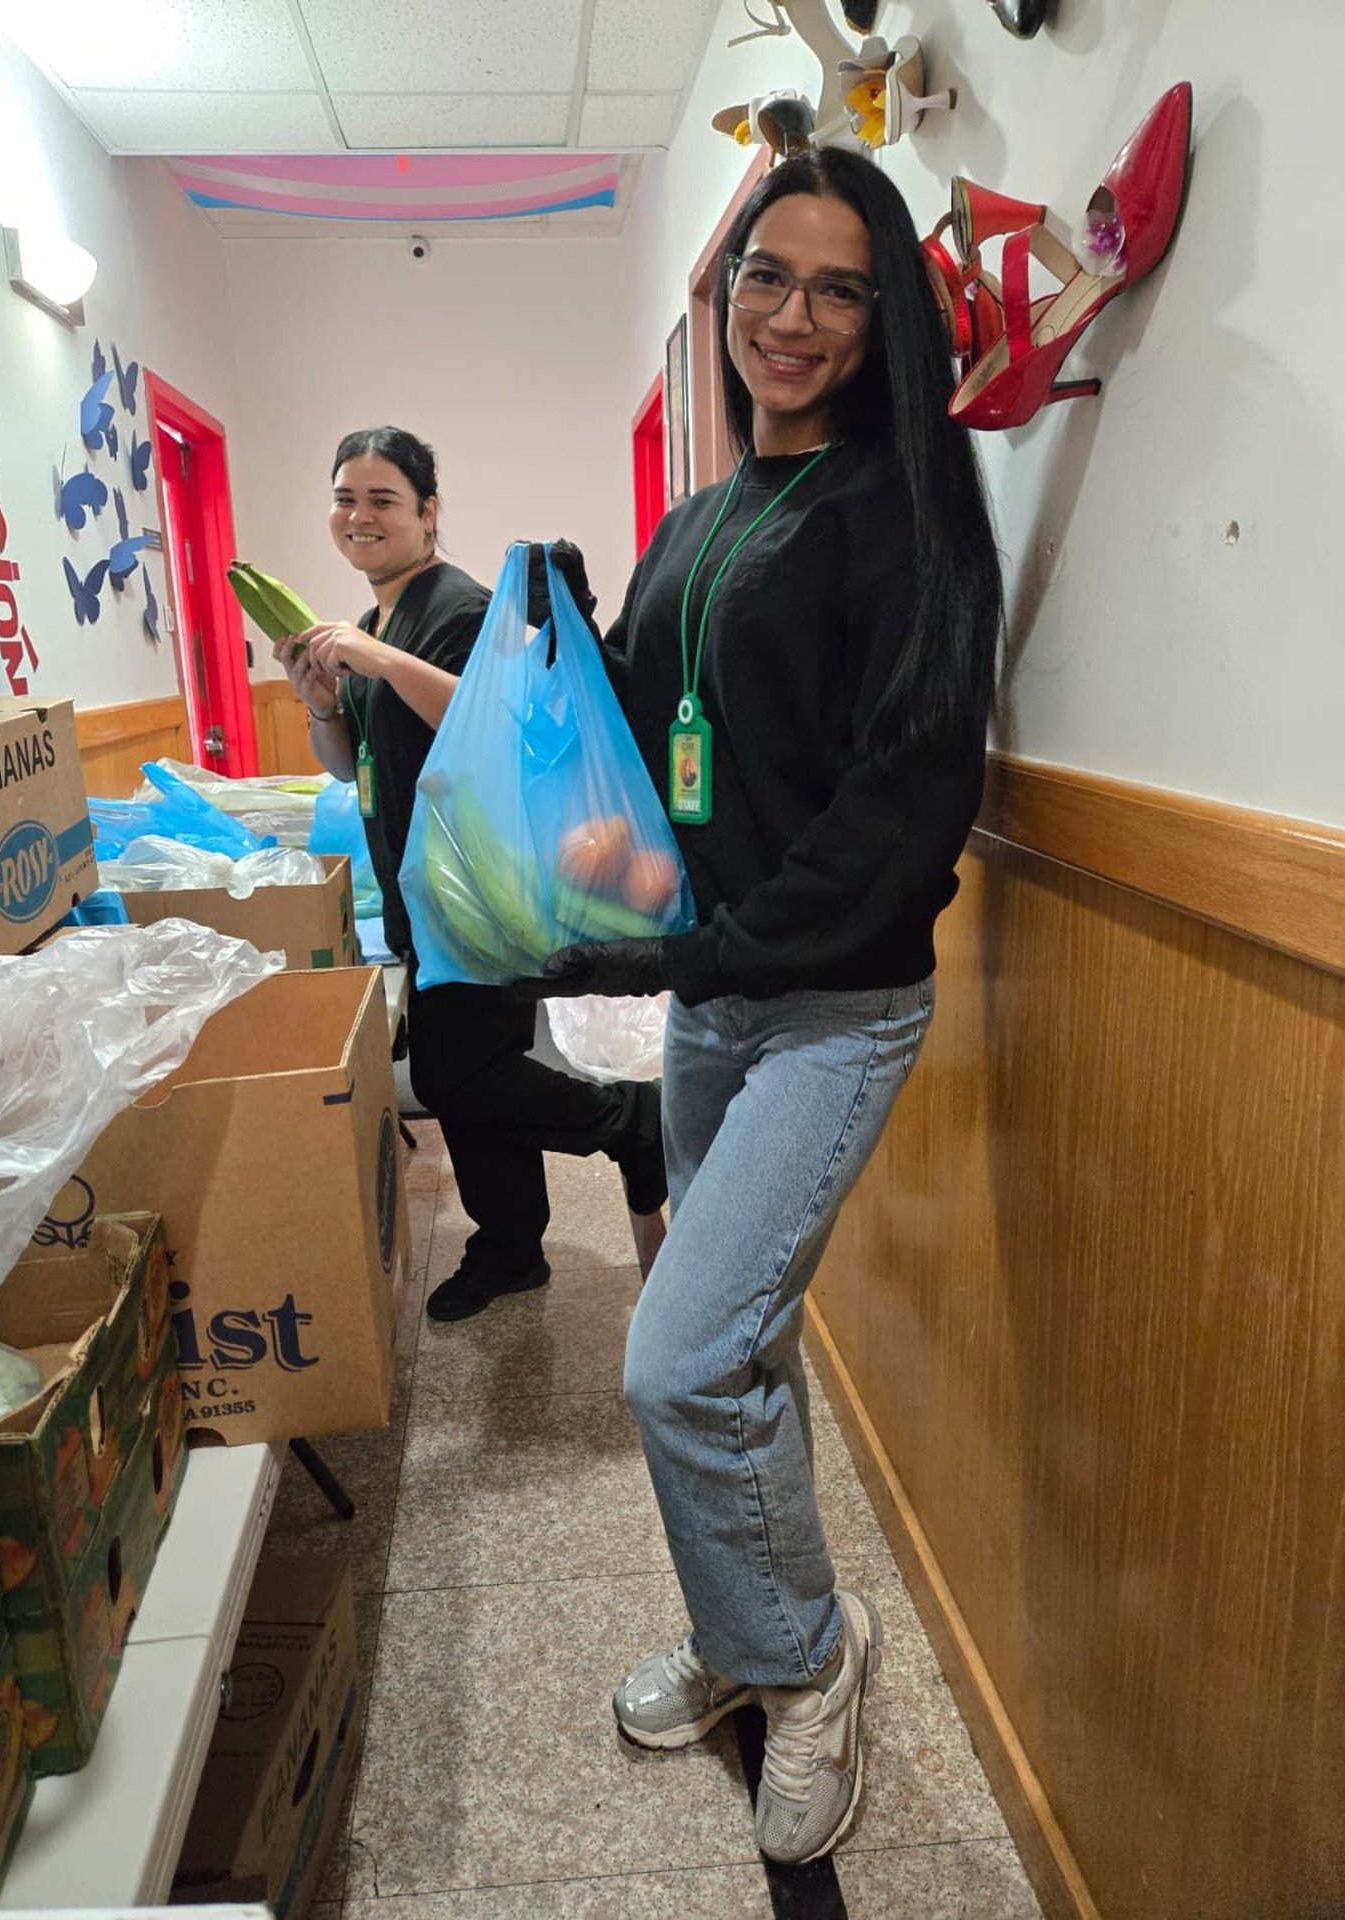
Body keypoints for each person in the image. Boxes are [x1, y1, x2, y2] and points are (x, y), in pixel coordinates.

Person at [520, 149, 1003, 1864]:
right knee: (746, 1351)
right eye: (762, 278)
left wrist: (678, 961)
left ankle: (804, 1659)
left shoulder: (913, 510)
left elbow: (902, 817)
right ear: (722, 296)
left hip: (831, 1010)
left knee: (675, 1362)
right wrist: (556, 633)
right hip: (722, 1001)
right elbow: (652, 753)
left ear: (885, 320)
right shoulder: (704, 516)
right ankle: (753, 1637)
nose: (789, 317)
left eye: (834, 286)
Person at [273, 426, 667, 1323]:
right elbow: (350, 764)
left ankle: (629, 1124)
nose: (360, 516)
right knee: (475, 1065)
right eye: (346, 497)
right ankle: (510, 1246)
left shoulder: (457, 607)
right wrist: (324, 703)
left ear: (428, 512)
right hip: (426, 885)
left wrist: (373, 661)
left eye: (383, 499)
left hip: (478, 887)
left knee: (455, 1075)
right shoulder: (375, 620)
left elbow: (494, 720)